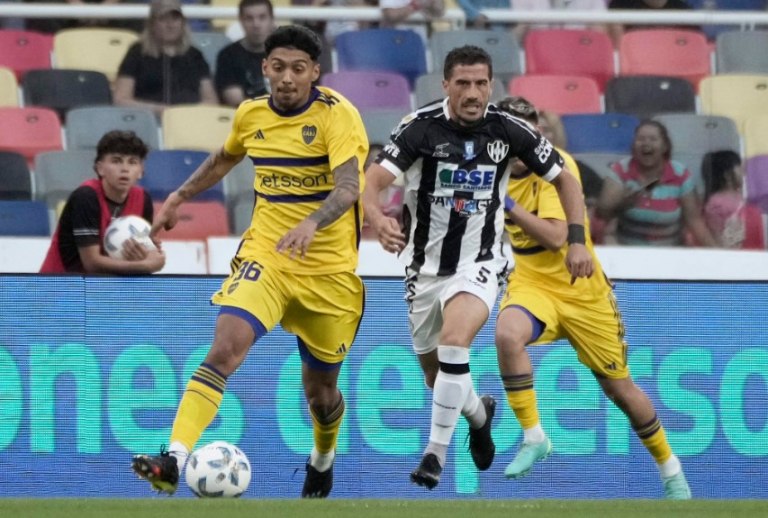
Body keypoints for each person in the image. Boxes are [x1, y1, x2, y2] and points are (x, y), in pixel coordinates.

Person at [130, 25, 369, 499]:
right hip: (268, 258)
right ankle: (173, 458)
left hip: (329, 274)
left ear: (314, 72)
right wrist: (179, 196)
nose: (286, 78)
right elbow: (225, 157)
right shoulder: (251, 113)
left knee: (321, 394)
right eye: (278, 67)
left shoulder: (337, 115)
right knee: (224, 350)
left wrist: (312, 223)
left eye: (297, 69)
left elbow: (348, 187)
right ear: (265, 68)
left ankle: (323, 458)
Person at [362, 45, 593, 490]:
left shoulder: (508, 129)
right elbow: (372, 182)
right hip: (423, 267)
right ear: (446, 85)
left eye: (481, 83)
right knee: (437, 377)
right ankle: (479, 414)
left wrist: (578, 240)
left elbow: (565, 178)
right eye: (463, 83)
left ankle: (435, 454)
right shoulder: (418, 128)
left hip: (481, 261)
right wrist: (377, 217)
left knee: (455, 342)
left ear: (491, 85)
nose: (472, 93)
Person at [495, 96, 692, 500]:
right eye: (512, 131)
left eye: (527, 131)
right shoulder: (491, 171)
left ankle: (671, 471)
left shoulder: (554, 166)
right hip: (533, 284)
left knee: (620, 390)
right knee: (506, 335)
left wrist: (507, 204)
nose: (521, 140)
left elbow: (556, 236)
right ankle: (534, 437)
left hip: (582, 291)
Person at [39, 130, 166, 275]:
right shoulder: (86, 197)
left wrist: (148, 252)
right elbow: (92, 263)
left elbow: (145, 250)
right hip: (57, 283)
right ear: (100, 168)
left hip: (107, 285)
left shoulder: (143, 199)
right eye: (116, 161)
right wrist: (145, 265)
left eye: (132, 162)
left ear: (141, 171)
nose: (125, 169)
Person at [596, 120, 717, 247]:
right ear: (633, 146)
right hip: (628, 251)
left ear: (665, 146)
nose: (646, 143)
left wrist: (719, 254)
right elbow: (601, 214)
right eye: (641, 139)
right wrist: (622, 205)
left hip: (670, 252)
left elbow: (694, 221)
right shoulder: (620, 171)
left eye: (653, 139)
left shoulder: (680, 174)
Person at [113, 0, 219, 116]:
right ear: (151, 24)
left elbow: (211, 101)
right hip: (149, 119)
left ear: (183, 23)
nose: (170, 25)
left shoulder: (195, 55)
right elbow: (121, 99)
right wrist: (161, 110)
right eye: (163, 19)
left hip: (189, 120)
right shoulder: (136, 53)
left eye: (175, 19)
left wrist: (183, 113)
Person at [215, 0, 274, 108]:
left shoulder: (288, 54)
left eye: (262, 17)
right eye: (249, 18)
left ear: (271, 20)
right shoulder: (228, 56)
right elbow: (236, 102)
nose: (256, 24)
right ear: (241, 21)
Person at [701, 150, 765, 249]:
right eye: (739, 167)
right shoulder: (716, 204)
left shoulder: (740, 197)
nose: (744, 172)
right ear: (727, 175)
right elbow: (718, 239)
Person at [607, 0, 699, 47]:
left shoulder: (685, 12)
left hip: (675, 70)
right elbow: (619, 53)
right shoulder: (619, 7)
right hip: (637, 71)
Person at [380, 0, 445, 43]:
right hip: (395, 40)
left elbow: (440, 11)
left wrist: (433, 2)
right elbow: (391, 15)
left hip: (420, 41)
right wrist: (415, 5)